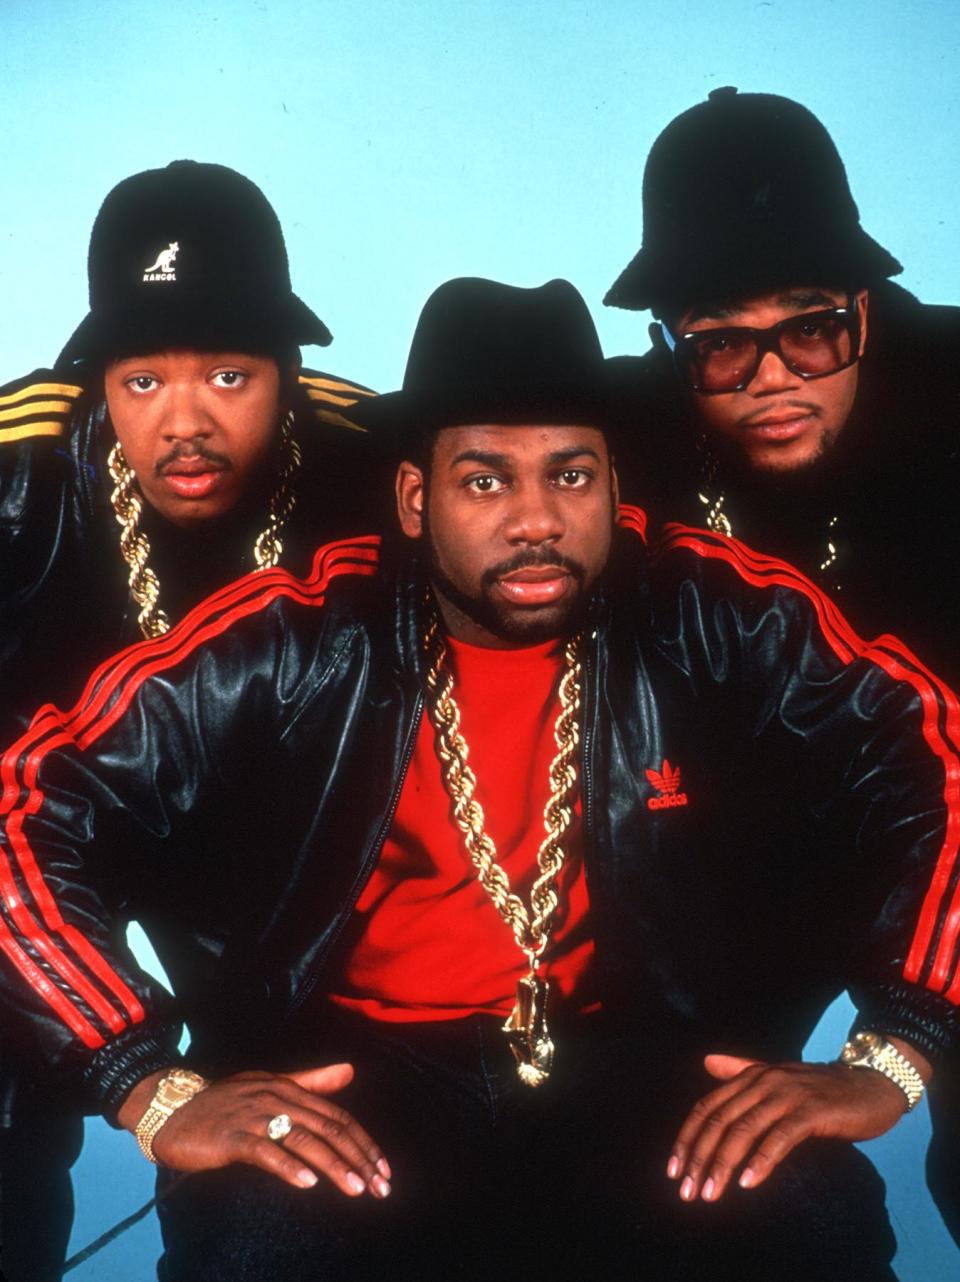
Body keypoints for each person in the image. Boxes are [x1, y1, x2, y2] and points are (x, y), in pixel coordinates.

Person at [0, 275, 957, 1281]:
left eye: (573, 475)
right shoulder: (291, 636)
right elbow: (23, 808)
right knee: (258, 1244)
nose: (537, 520)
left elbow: (939, 763)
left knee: (809, 1221)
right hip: (350, 1075)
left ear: (616, 482)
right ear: (417, 498)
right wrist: (142, 1077)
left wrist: (901, 1044)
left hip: (646, 1058)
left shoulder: (721, 611)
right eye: (486, 480)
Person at [0, 159, 380, 1282]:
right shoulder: (19, 471)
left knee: (300, 1141)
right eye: (143, 380)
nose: (186, 422)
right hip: (36, 835)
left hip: (265, 851)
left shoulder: (372, 458)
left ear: (288, 371)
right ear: (100, 379)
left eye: (226, 372)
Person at [604, 87, 960, 1242]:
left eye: (809, 329)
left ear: (865, 307)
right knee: (682, 1162)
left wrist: (901, 1056)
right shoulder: (620, 423)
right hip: (739, 857)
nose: (769, 376)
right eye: (720, 341)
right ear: (673, 344)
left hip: (949, 839)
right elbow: (437, 412)